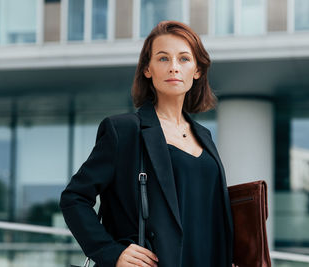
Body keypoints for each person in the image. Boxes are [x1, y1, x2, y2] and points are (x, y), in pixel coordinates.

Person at [60, 21, 238, 267]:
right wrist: (111, 252)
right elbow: (74, 198)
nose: (174, 67)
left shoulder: (204, 136)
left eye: (184, 59)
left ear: (197, 70)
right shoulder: (124, 131)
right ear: (147, 69)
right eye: (163, 59)